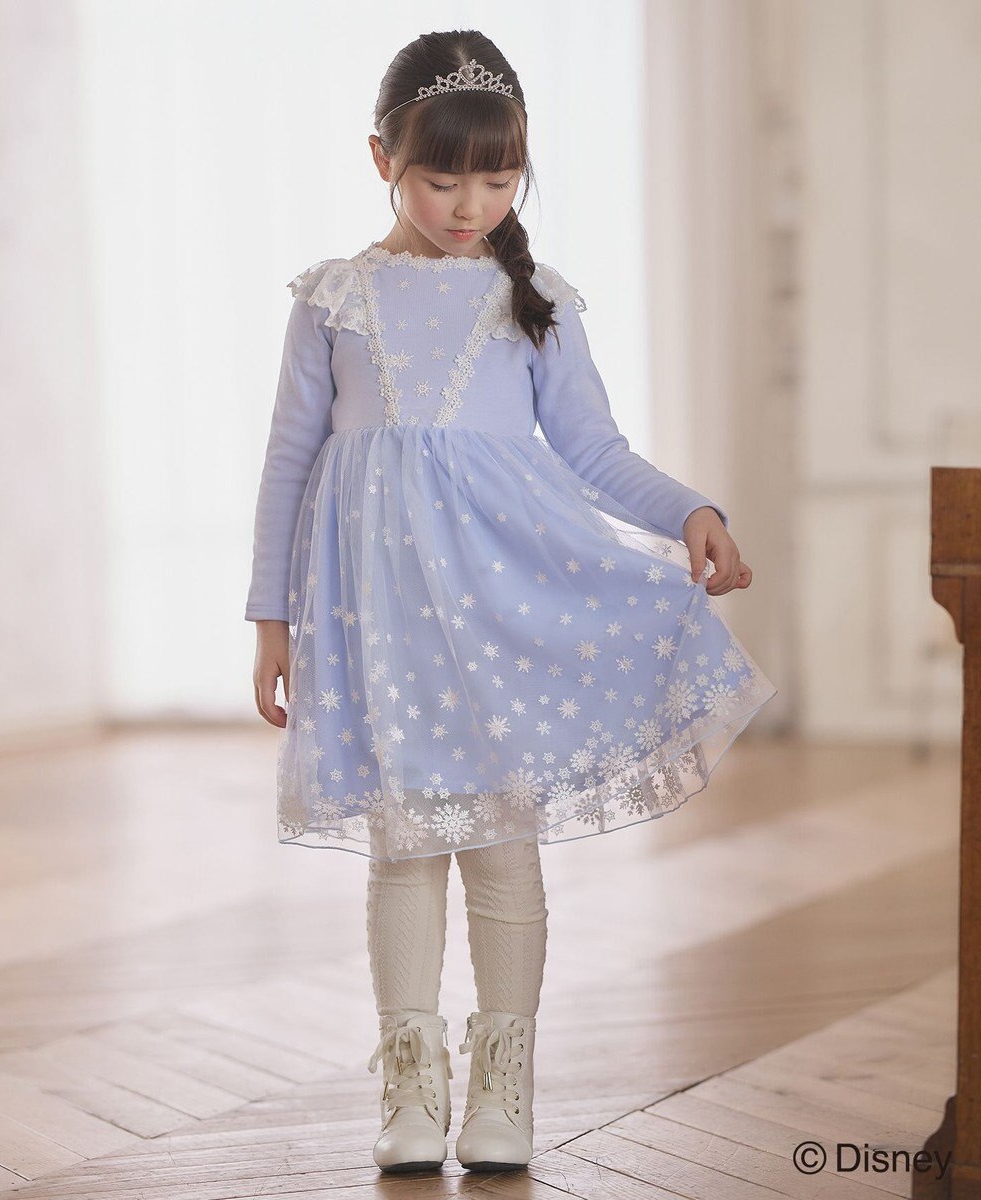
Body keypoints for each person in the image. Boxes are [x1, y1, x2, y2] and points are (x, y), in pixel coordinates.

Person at [244, 28, 777, 1176]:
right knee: (402, 847)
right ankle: (409, 1090)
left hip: (500, 608)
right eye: (443, 179)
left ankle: (502, 1089)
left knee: (496, 844)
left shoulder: (531, 301)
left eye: (496, 179)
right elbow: (288, 462)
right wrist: (270, 620)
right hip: (376, 622)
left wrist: (689, 508)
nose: (470, 205)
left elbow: (594, 449)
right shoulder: (335, 299)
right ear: (381, 158)